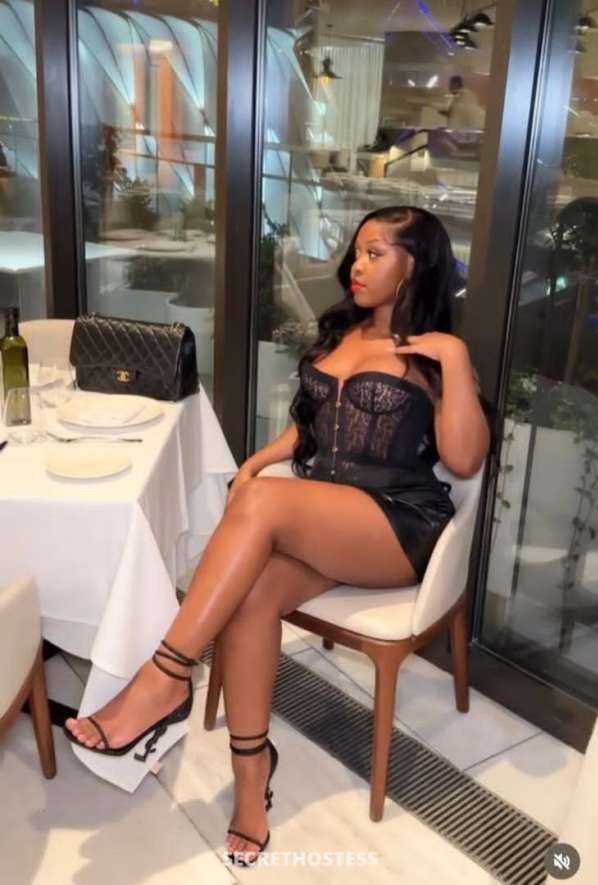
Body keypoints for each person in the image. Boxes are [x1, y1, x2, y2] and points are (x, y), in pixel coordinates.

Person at [63, 206, 490, 865]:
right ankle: (251, 774)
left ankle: (165, 676)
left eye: (376, 253)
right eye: (357, 251)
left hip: (397, 525)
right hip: (324, 518)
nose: (356, 265)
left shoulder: (436, 354)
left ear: (417, 265)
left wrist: (455, 359)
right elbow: (314, 426)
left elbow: (463, 459)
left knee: (261, 504)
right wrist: (261, 460)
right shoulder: (343, 332)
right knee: (253, 594)